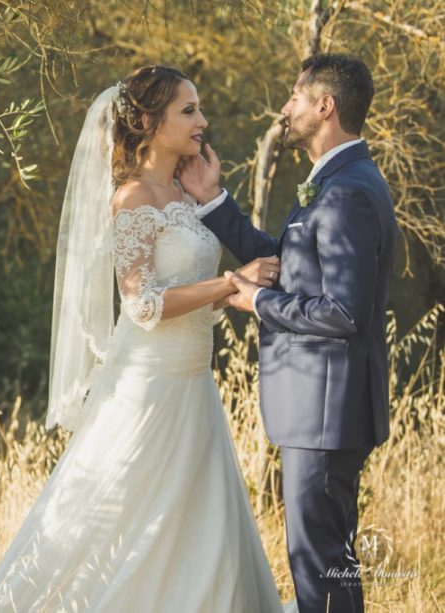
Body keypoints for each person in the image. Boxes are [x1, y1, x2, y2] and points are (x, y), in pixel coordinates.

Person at [0, 65, 291, 612]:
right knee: (111, 519)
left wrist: (210, 200)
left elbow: (187, 288)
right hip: (146, 388)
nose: (202, 121)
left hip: (193, 386)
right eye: (188, 111)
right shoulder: (133, 198)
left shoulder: (184, 195)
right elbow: (141, 304)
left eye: (200, 108)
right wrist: (233, 281)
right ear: (146, 120)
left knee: (197, 523)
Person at [179, 53, 396, 613]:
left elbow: (345, 313)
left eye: (295, 98)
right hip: (322, 408)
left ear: (324, 107)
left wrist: (260, 302)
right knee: (326, 562)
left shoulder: (346, 191)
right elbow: (289, 264)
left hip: (325, 412)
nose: (286, 108)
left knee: (319, 565)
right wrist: (212, 201)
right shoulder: (336, 181)